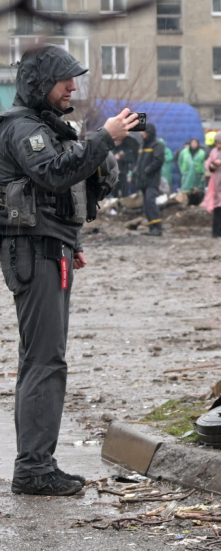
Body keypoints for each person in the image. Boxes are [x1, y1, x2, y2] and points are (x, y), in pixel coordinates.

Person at [0, 46, 134, 496]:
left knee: (43, 358)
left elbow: (66, 188)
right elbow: (53, 174)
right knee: (44, 359)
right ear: (41, 85)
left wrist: (70, 240)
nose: (73, 87)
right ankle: (34, 468)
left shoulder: (46, 127)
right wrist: (103, 138)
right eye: (65, 81)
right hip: (34, 252)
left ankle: (36, 463)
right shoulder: (22, 128)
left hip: (48, 249)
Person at [133, 120, 170, 236]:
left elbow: (158, 161)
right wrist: (136, 172)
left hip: (152, 179)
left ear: (149, 132)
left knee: (150, 202)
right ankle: (152, 226)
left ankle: (157, 228)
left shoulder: (157, 145)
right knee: (146, 204)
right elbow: (139, 161)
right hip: (143, 179)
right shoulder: (143, 145)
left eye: (143, 131)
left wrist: (147, 171)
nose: (141, 134)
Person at [177, 137, 206, 205]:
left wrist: (203, 172)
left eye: (195, 143)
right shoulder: (184, 152)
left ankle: (196, 204)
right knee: (185, 190)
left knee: (196, 190)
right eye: (192, 142)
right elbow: (180, 161)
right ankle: (184, 204)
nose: (193, 144)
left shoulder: (202, 153)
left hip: (197, 175)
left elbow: (204, 163)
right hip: (186, 174)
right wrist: (182, 171)